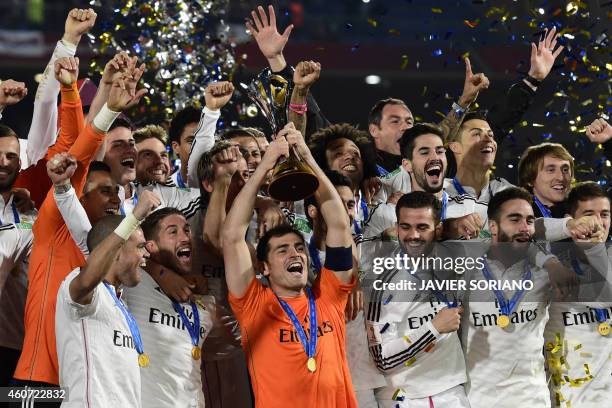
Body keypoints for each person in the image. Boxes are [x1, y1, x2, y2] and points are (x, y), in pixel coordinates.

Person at [14, 66, 146, 388]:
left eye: (115, 190)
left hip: (86, 385)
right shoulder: (54, 227)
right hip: (39, 381)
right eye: (103, 190)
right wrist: (99, 105)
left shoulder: (107, 246)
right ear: (78, 196)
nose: (115, 198)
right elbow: (78, 151)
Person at [223, 123, 358, 407]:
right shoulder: (253, 305)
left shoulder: (330, 297)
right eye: (282, 250)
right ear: (265, 267)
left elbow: (338, 222)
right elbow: (233, 235)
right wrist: (265, 165)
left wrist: (307, 158)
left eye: (298, 248)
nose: (294, 254)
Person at [460, 187, 576, 408]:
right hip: (477, 400)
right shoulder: (466, 271)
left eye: (530, 221)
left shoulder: (545, 276)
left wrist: (551, 261)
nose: (525, 228)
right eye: (515, 219)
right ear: (492, 226)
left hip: (532, 400)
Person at [55, 190, 159, 407]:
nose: (146, 254)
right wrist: (134, 217)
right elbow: (86, 280)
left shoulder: (119, 302)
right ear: (117, 251)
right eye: (140, 246)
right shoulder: (82, 287)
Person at [364, 192, 469, 407]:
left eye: (422, 227)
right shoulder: (380, 279)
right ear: (396, 227)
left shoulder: (454, 261)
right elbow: (382, 359)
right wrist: (434, 328)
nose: (413, 235)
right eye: (405, 227)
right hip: (405, 397)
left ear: (438, 229)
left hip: (452, 392)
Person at [125, 208, 215, 408]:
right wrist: (157, 270)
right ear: (151, 246)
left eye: (187, 230)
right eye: (173, 232)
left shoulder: (205, 302)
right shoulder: (135, 284)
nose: (185, 238)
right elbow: (110, 252)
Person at [544, 182, 611, 407]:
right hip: (565, 397)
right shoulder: (549, 267)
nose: (597, 222)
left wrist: (595, 249)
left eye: (604, 214)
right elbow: (526, 230)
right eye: (588, 214)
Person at [518, 143, 574, 218]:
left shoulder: (578, 210)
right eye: (551, 170)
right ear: (530, 179)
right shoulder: (517, 213)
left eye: (565, 170)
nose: (561, 177)